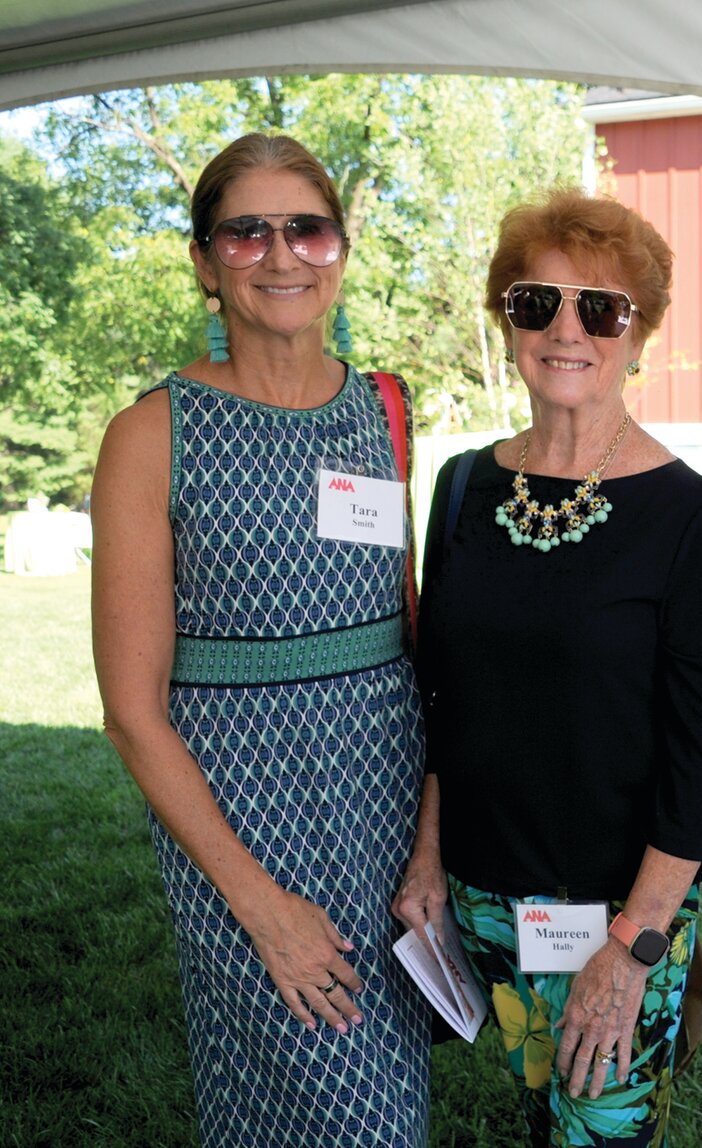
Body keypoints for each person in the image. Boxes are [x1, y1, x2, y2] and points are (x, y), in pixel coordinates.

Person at [91, 133, 430, 1146]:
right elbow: (132, 711)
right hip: (239, 821)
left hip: (385, 810)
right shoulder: (155, 432)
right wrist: (260, 902)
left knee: (389, 1094)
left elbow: (417, 637)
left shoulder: (384, 406)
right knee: (312, 1093)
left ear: (340, 249)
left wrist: (432, 841)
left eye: (306, 228)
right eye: (246, 232)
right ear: (204, 261)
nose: (281, 255)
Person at [391, 186, 702, 1148]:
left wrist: (636, 945)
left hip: (620, 911)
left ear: (639, 335)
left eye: (601, 307)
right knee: (540, 1115)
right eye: (535, 302)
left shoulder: (689, 515)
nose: (567, 329)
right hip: (483, 894)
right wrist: (428, 856)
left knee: (600, 1131)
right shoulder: (462, 484)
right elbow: (441, 697)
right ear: (507, 320)